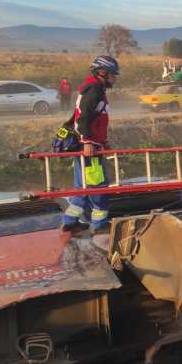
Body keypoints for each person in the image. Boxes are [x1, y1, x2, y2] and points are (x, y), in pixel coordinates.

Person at [60, 55, 120, 234]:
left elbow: (96, 121)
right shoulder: (94, 89)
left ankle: (69, 221)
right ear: (103, 72)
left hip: (93, 145)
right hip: (89, 148)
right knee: (98, 187)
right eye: (113, 74)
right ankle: (99, 226)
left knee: (83, 187)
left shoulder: (95, 87)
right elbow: (82, 119)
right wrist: (87, 142)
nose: (114, 78)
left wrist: (104, 140)